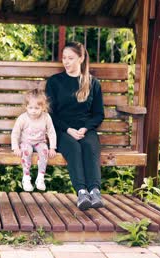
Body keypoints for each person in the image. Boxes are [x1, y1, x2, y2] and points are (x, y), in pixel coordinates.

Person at [45, 42, 105, 210]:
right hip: (62, 129)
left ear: (81, 58)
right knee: (73, 147)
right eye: (64, 58)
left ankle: (94, 191)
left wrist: (85, 128)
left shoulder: (93, 83)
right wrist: (68, 129)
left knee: (89, 146)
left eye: (70, 58)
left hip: (85, 129)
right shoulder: (55, 82)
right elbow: (50, 113)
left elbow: (98, 114)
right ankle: (81, 192)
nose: (66, 62)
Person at [11, 89, 57, 192]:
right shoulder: (23, 118)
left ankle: (40, 178)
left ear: (43, 107)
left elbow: (51, 132)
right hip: (26, 142)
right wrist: (16, 148)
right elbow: (15, 133)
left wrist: (52, 148)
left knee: (44, 151)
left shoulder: (46, 117)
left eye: (37, 108)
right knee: (27, 151)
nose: (33, 110)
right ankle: (26, 178)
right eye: (30, 107)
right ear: (26, 107)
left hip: (40, 142)